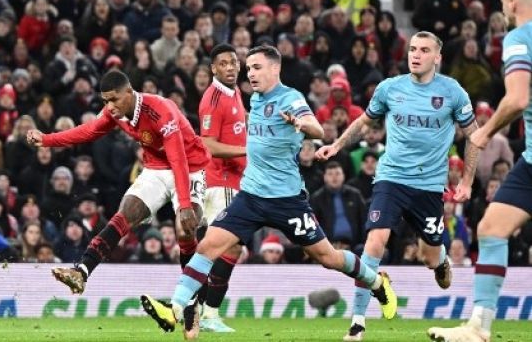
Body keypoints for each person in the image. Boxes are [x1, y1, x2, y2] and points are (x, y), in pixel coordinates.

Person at [140, 46, 397, 340]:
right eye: (248, 68)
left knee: (327, 257)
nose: (250, 73)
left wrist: (301, 124)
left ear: (275, 69)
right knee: (207, 247)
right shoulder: (256, 99)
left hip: (287, 201)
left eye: (256, 67)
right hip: (250, 196)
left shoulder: (291, 98)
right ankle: (173, 308)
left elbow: (318, 130)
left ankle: (376, 282)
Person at [315, 31, 479, 342]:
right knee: (375, 241)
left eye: (424, 50)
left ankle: (440, 259)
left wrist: (468, 180)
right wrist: (337, 145)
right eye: (413, 49)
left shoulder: (453, 92)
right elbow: (365, 121)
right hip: (391, 177)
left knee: (430, 256)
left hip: (429, 186)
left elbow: (474, 134)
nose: (415, 55)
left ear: (437, 57)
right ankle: (358, 323)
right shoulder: (390, 88)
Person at [26, 69, 210, 294]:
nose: (110, 106)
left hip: (190, 167)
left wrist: (184, 204)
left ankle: (191, 298)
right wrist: (47, 139)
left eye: (114, 99)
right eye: (105, 101)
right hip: (156, 168)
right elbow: (88, 131)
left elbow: (178, 158)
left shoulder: (161, 110)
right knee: (126, 212)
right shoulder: (115, 112)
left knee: (185, 229)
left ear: (130, 92)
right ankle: (82, 271)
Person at [428, 0, 532, 341]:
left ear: (511, 4)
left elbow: (518, 99)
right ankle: (478, 328)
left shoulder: (519, 38)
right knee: (491, 229)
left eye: (504, 5)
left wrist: (484, 133)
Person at [195, 44, 247, 333]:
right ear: (213, 69)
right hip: (221, 182)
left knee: (223, 247)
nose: (230, 67)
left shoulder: (234, 91)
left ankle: (198, 307)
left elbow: (240, 123)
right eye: (223, 64)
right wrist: (246, 150)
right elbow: (208, 145)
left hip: (237, 180)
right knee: (227, 246)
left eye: (233, 62)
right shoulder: (212, 100)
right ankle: (207, 312)